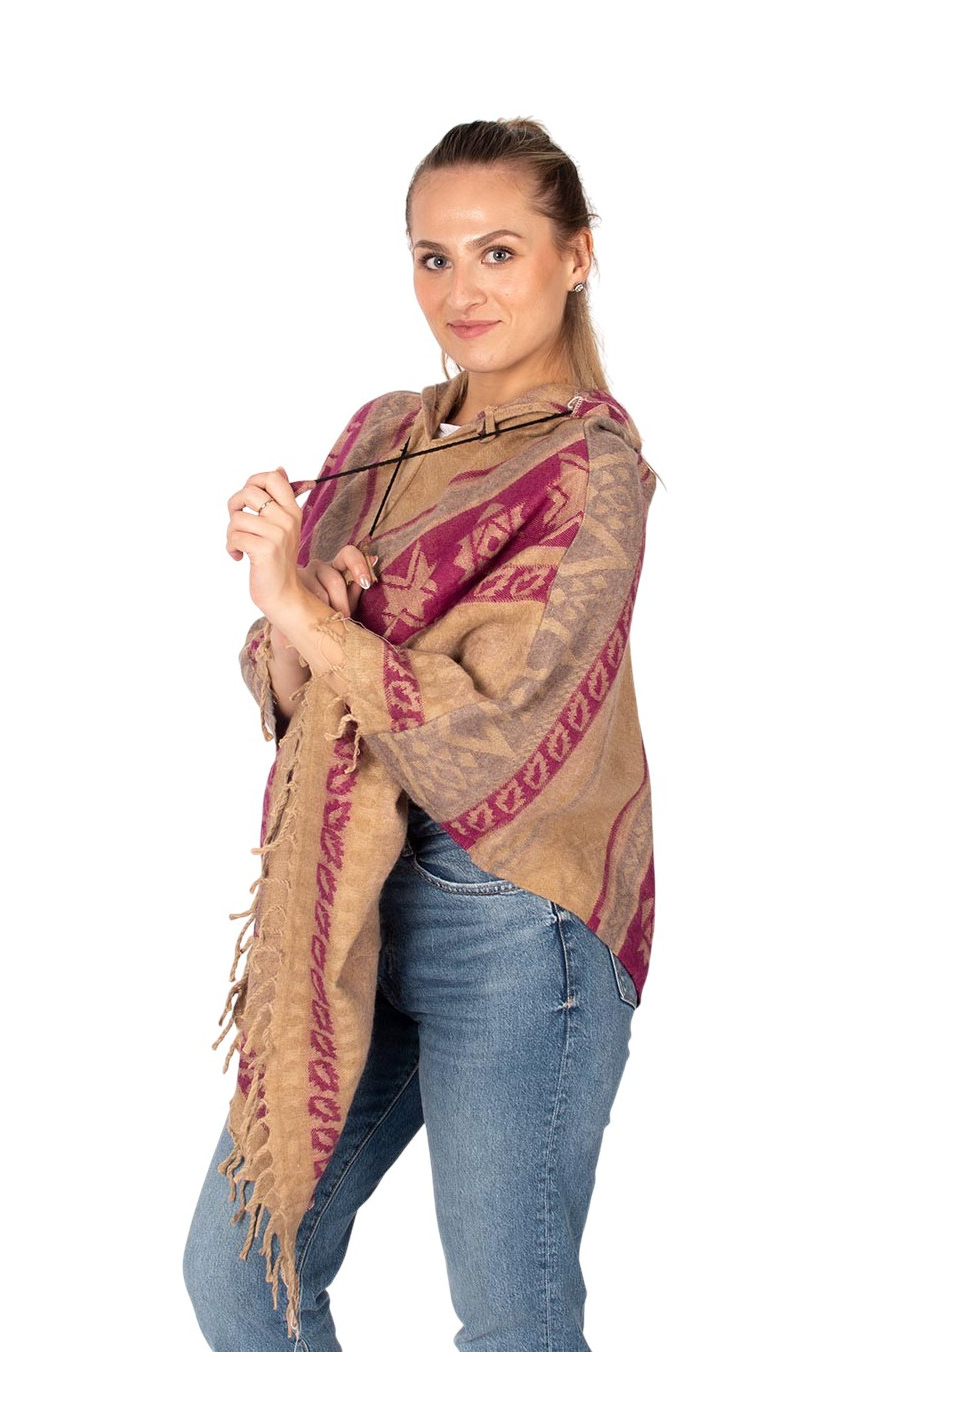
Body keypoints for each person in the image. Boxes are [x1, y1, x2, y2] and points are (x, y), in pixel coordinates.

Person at [183, 116, 659, 1352]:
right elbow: (289, 687)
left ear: (575, 256)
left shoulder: (592, 468)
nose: (460, 291)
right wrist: (291, 605)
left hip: (515, 915)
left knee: (510, 1323)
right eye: (432, 257)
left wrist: (309, 612)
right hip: (346, 894)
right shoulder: (382, 434)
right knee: (239, 1276)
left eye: (498, 252)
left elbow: (492, 736)